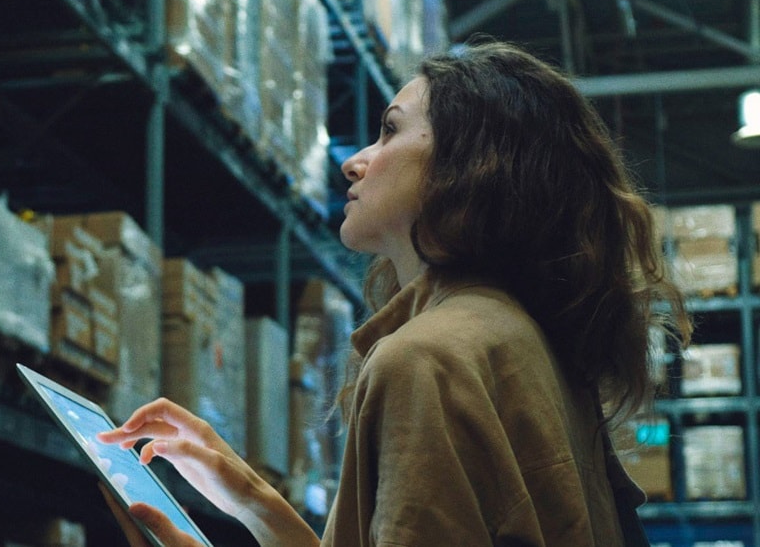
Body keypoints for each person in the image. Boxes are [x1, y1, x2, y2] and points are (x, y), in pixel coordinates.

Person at [96, 39, 692, 546]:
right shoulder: (516, 341)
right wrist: (250, 499)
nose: (354, 162)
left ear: (472, 164)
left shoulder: (427, 359)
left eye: (389, 132)